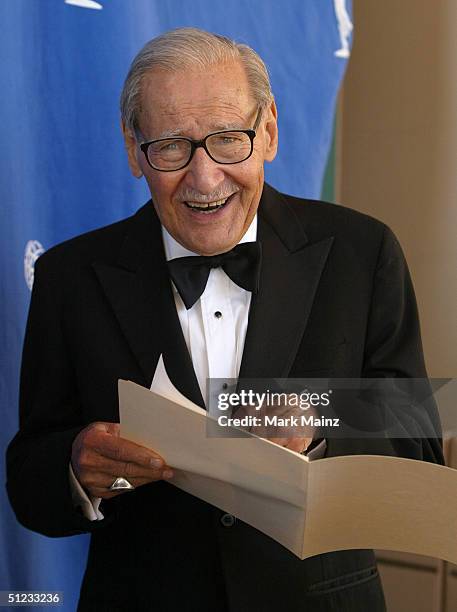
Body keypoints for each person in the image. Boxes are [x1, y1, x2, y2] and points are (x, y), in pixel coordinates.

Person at [6, 27, 443, 612]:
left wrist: (319, 428)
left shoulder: (363, 253)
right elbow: (31, 485)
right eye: (170, 146)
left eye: (229, 140)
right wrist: (80, 469)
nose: (204, 178)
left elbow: (418, 444)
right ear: (134, 150)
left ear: (267, 132)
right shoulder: (70, 277)